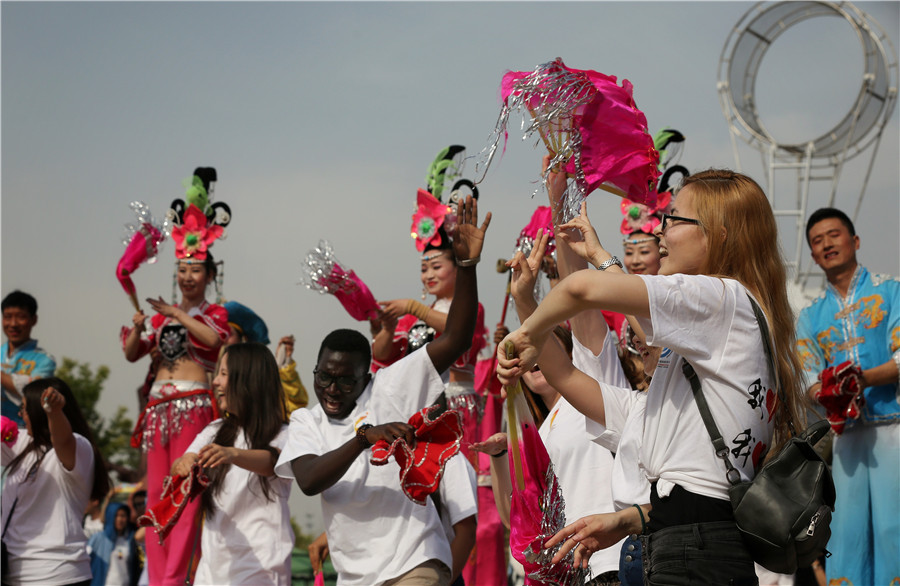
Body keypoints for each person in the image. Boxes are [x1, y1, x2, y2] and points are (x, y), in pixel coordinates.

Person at [499, 170, 806, 584]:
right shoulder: (679, 381)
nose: (661, 231)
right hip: (683, 543)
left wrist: (526, 332)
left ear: (719, 233)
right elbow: (568, 373)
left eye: (675, 219)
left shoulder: (723, 297)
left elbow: (580, 292)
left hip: (697, 550)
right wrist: (597, 257)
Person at [276, 195, 489, 586]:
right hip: (356, 577)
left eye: (345, 380)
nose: (331, 389)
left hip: (416, 563)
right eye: (323, 376)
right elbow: (307, 480)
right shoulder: (306, 421)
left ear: (367, 377)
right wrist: (363, 439)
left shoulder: (394, 383)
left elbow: (459, 337)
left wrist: (467, 266)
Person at [120, 166, 229, 586]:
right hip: (157, 410)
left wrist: (177, 314)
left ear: (210, 275)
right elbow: (133, 355)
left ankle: (175, 577)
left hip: (192, 408)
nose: (187, 277)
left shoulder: (211, 314)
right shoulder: (161, 320)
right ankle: (155, 574)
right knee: (155, 494)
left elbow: (216, 344)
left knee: (182, 491)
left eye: (195, 270)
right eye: (182, 269)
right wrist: (137, 325)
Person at [795, 207, 900, 586]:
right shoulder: (809, 315)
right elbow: (808, 378)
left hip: (894, 429)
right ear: (812, 254)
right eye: (817, 241)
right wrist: (831, 393)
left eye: (833, 235)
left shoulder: (891, 291)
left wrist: (859, 379)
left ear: (854, 241)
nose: (827, 245)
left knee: (894, 527)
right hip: (847, 437)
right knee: (849, 534)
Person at [171, 342, 293, 584]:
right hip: (212, 571)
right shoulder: (215, 430)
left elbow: (273, 462)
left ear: (248, 381)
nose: (215, 382)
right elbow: (183, 462)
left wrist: (233, 455)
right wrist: (186, 462)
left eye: (224, 374)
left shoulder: (285, 432)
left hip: (262, 569)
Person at [1, 377, 110, 585]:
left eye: (25, 409)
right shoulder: (24, 442)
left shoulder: (79, 446)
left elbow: (62, 439)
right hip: (13, 574)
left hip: (57, 573)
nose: (20, 415)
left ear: (38, 412)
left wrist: (54, 412)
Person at [2, 290, 56, 427]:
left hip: (23, 436)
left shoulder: (45, 361)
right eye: (7, 317)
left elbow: (32, 392)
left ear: (34, 319)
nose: (13, 324)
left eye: (21, 317)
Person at [87, 502, 141, 586]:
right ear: (110, 516)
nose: (119, 519)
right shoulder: (98, 538)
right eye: (116, 515)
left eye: (123, 516)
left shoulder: (131, 540)